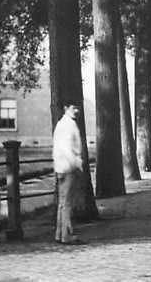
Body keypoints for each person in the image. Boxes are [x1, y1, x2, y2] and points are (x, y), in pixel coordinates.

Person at [53, 104, 84, 245]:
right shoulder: (69, 125)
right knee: (67, 203)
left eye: (77, 108)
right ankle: (66, 235)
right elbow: (68, 148)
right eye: (73, 108)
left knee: (62, 202)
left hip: (60, 166)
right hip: (68, 166)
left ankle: (59, 233)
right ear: (65, 108)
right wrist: (76, 163)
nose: (76, 111)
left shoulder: (60, 124)